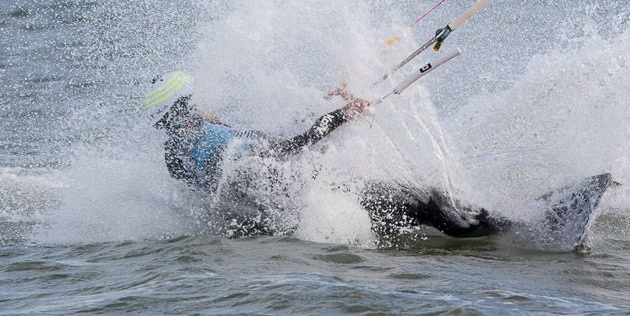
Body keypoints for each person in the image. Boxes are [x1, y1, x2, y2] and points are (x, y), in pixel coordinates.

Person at [145, 71, 509, 240]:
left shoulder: (179, 153)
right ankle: (515, 229)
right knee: (429, 203)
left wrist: (319, 106)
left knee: (422, 214)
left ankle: (497, 229)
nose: (208, 101)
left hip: (296, 214)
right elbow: (281, 151)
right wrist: (338, 117)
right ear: (185, 107)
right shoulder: (208, 139)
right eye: (198, 97)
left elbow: (258, 149)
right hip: (318, 198)